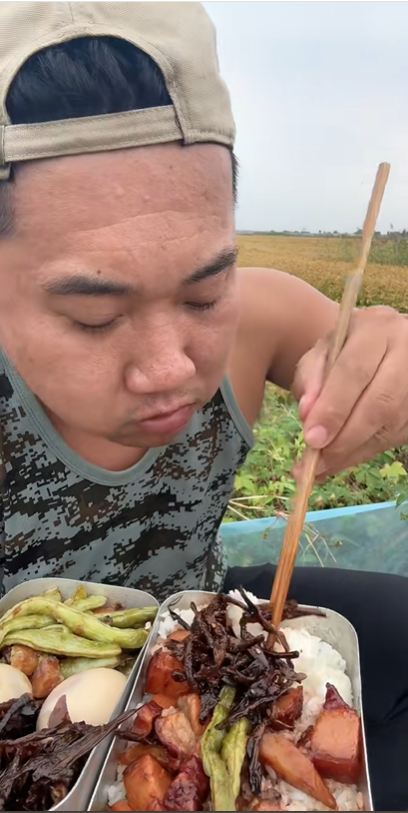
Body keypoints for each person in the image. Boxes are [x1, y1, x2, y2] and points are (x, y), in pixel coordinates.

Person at [0, 3, 407, 808]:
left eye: (205, 288)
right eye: (94, 314)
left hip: (214, 625)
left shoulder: (264, 317)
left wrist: (389, 359)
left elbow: (370, 353)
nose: (169, 367)